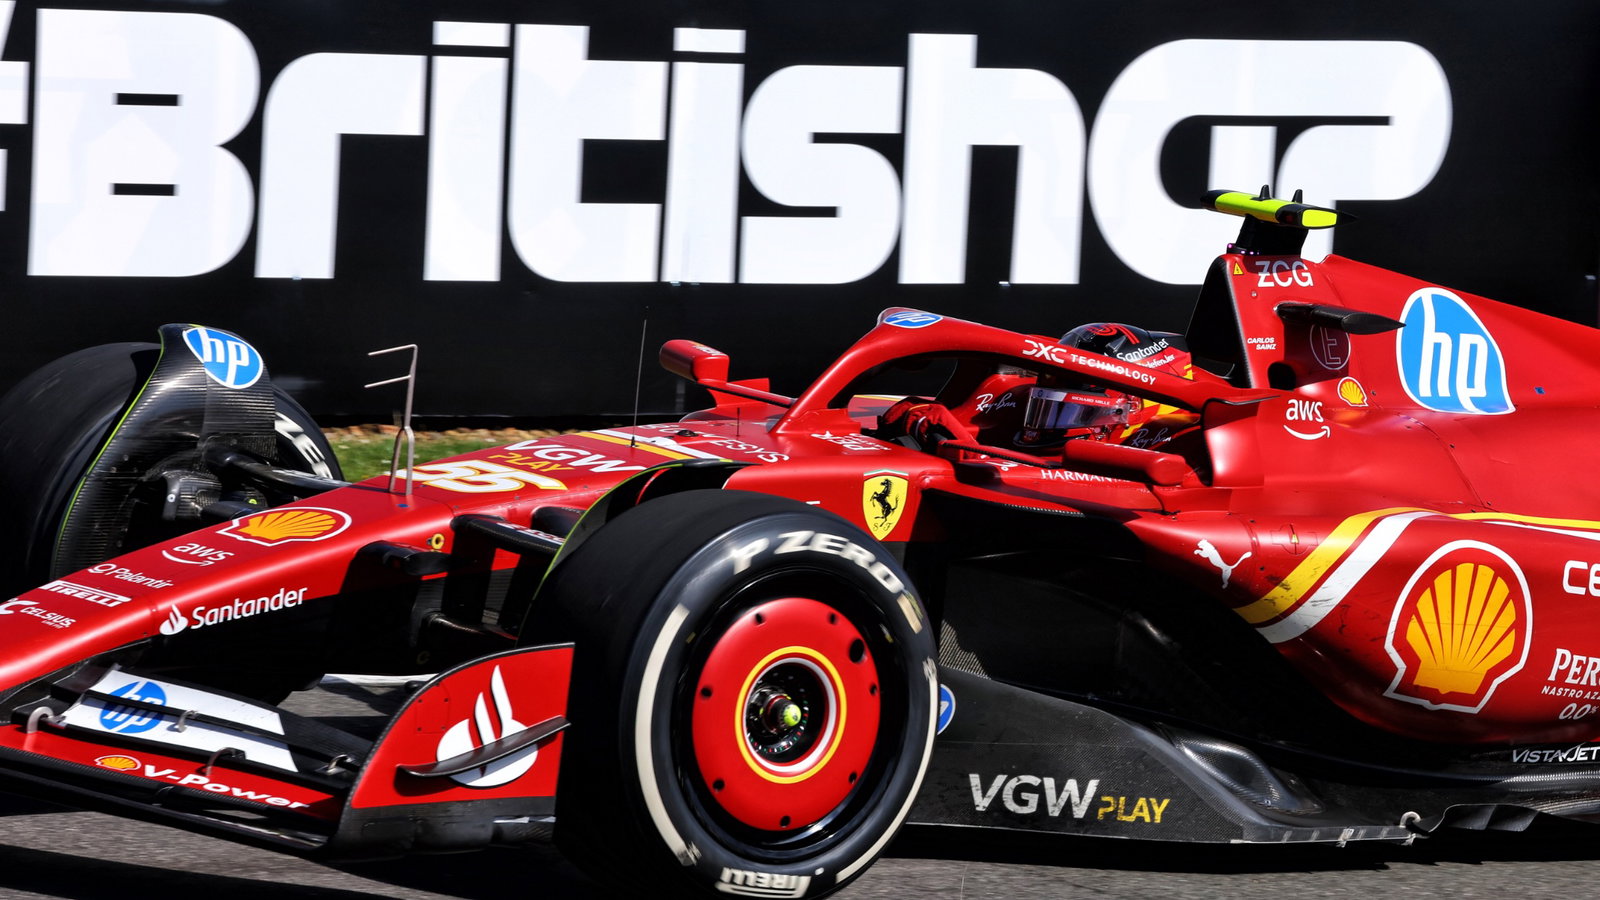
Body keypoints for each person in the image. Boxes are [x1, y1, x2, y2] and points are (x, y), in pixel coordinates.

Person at [879, 323, 1202, 456]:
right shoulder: (1016, 398)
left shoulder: (1183, 439)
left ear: (1130, 408)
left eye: (1076, 412)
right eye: (1049, 406)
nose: (1049, 422)